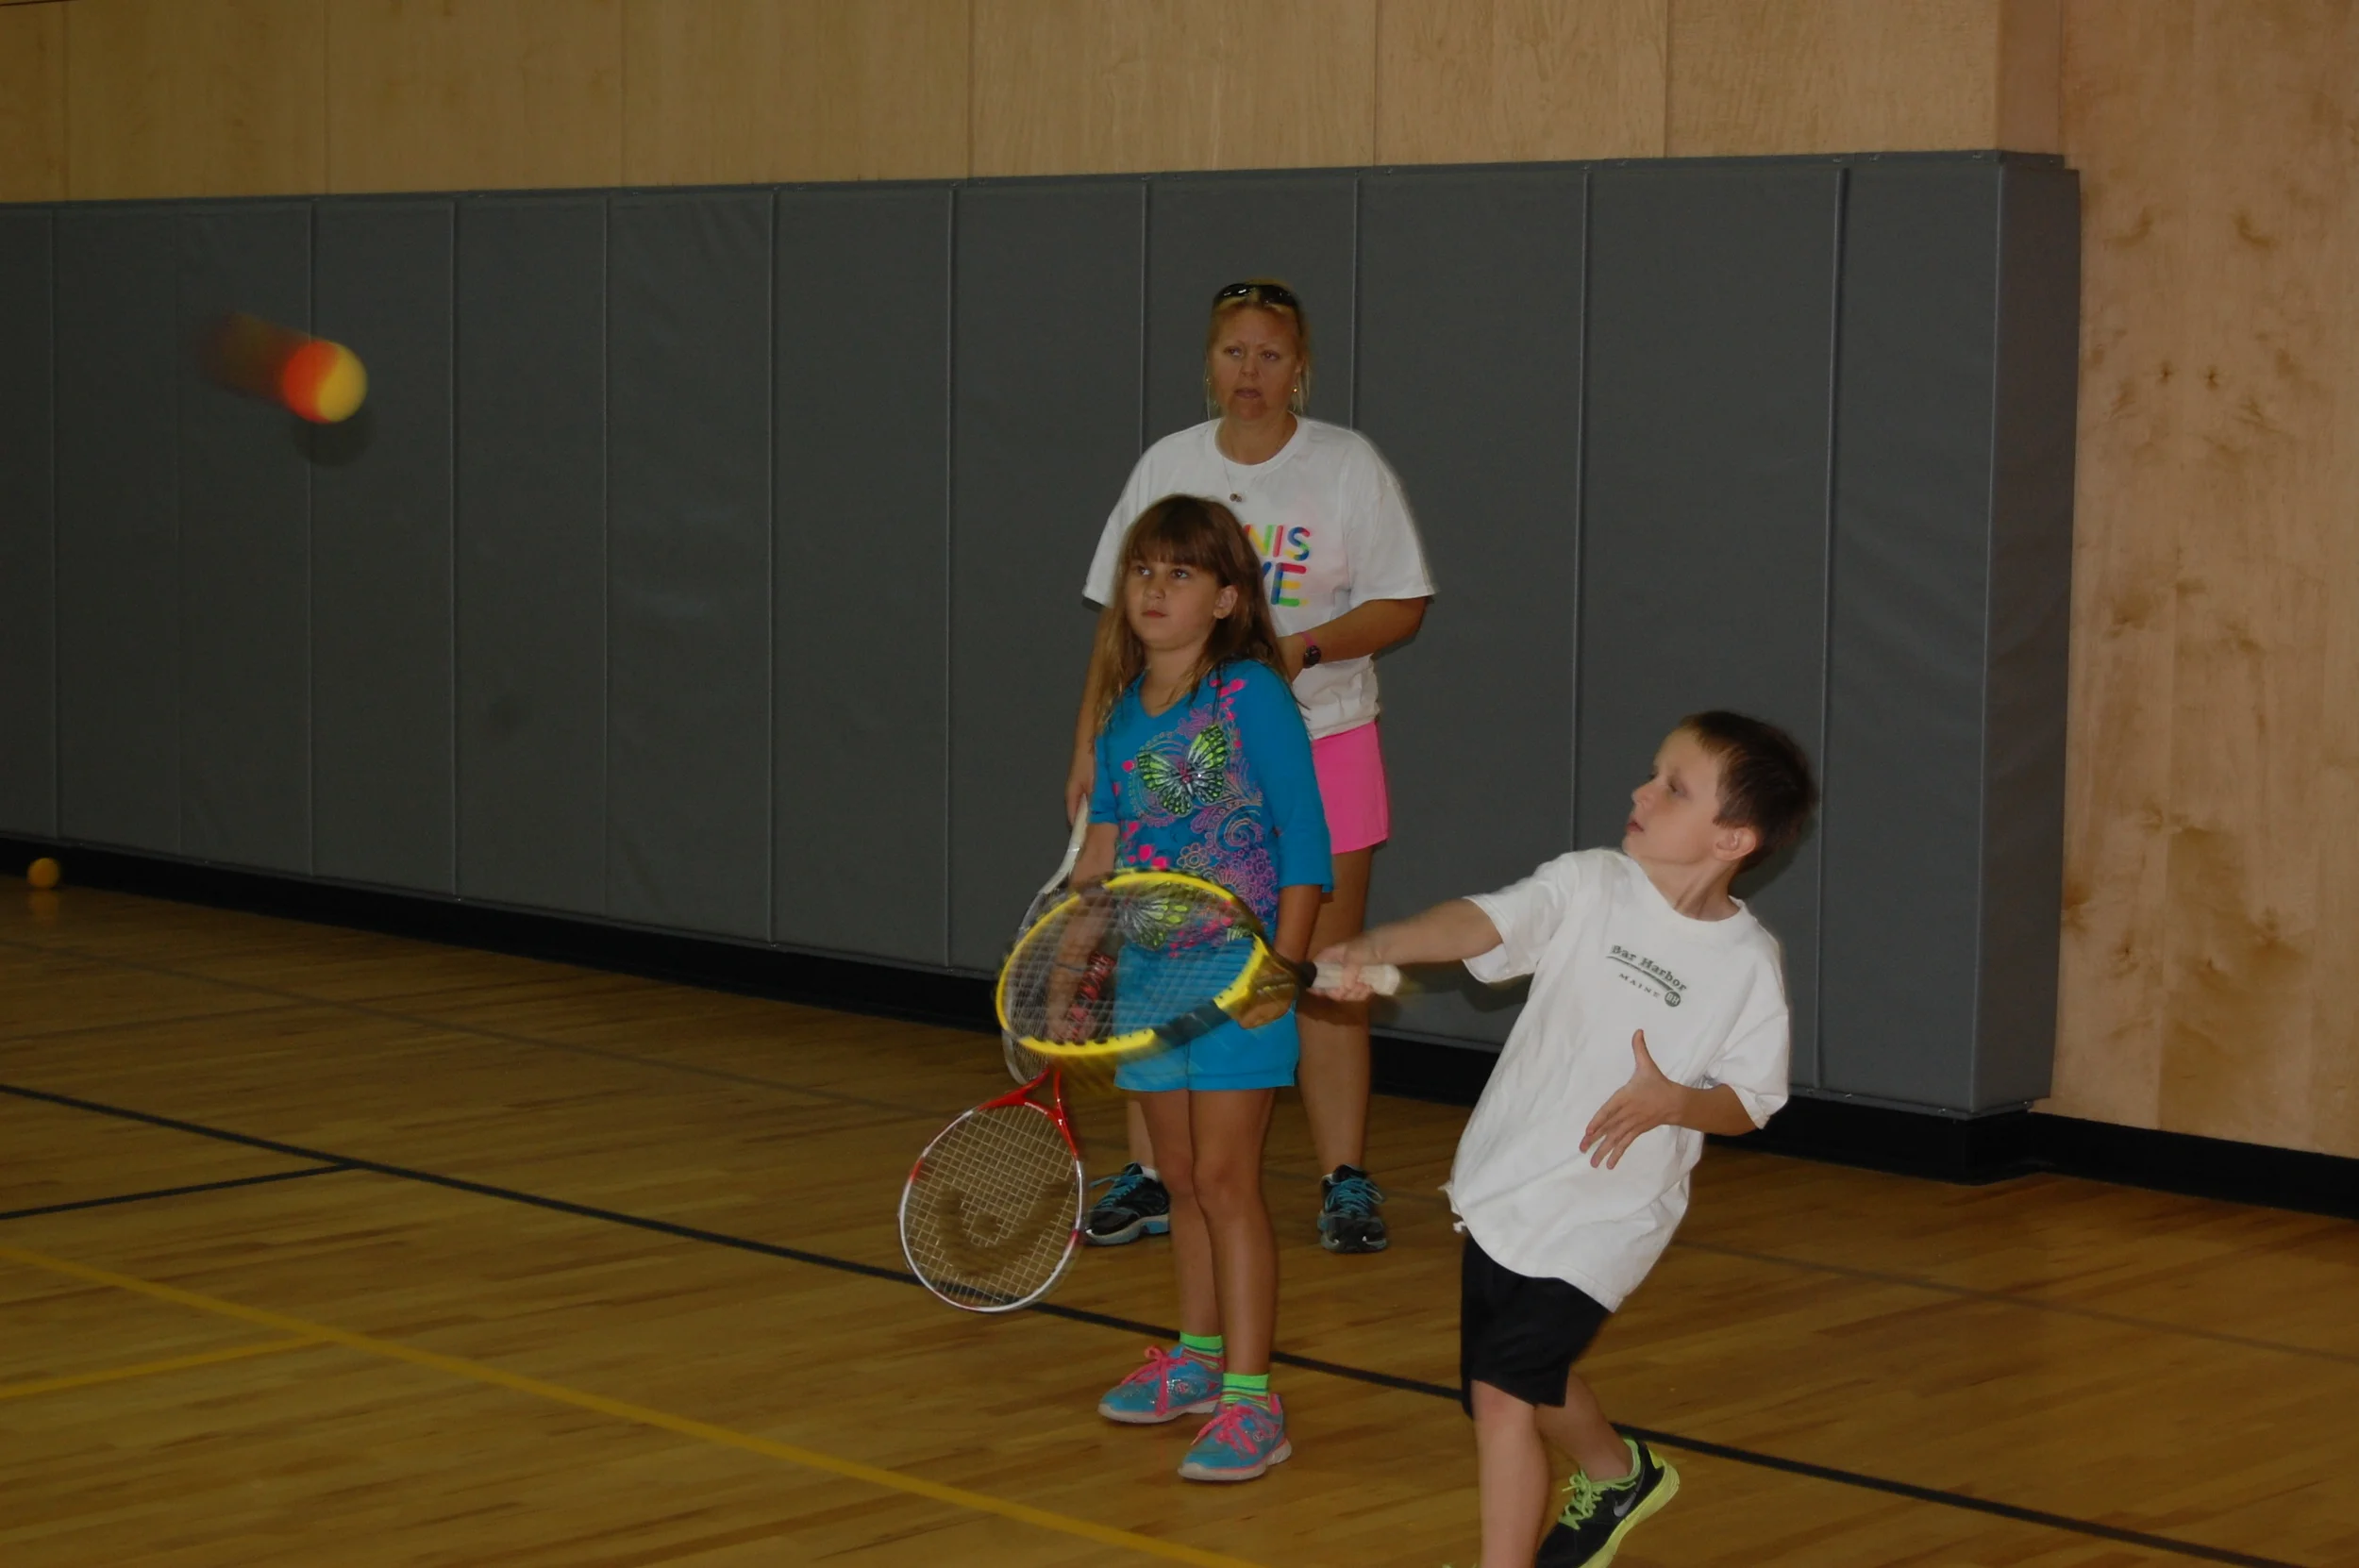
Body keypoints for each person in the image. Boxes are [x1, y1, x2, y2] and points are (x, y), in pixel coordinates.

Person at [1316, 712, 1816, 1565]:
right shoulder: (1591, 883)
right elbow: (1481, 922)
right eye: (1652, 773)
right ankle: (1619, 1475)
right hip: (1507, 1184)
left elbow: (1752, 1102)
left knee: (1505, 1391)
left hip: (1610, 1213)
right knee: (1507, 1388)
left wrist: (1673, 1103)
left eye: (1673, 788)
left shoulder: (1746, 965)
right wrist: (1377, 942)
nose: (1641, 792)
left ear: (1734, 836)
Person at [1069, 279, 1433, 1256]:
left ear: (1298, 367)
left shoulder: (1346, 467)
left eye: (1271, 356)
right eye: (1235, 353)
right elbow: (1117, 623)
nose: (1251, 374)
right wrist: (1085, 746)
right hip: (1177, 766)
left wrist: (1297, 650)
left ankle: (1342, 1177)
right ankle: (1152, 1174)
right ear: (1209, 361)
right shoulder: (1168, 465)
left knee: (1314, 967)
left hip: (1324, 742)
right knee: (1162, 961)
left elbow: (1402, 603)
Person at [1076, 493, 1331, 1482]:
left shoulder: (1249, 696)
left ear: (1227, 598)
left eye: (1181, 573)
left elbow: (1304, 842)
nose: (1155, 588)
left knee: (1227, 1184)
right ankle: (1191, 1357)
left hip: (1239, 981)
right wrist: (1080, 946)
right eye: (1144, 569)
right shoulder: (1117, 717)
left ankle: (1250, 1399)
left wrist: (1286, 966)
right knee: (1177, 1181)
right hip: (1149, 984)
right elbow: (1101, 852)